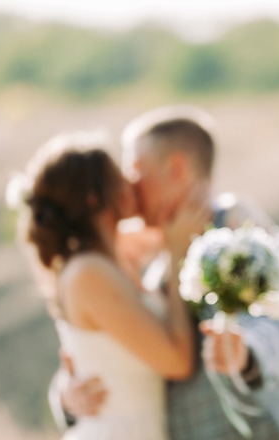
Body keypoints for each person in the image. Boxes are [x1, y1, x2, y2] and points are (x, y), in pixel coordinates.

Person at [53, 105, 279, 440]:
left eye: (135, 173)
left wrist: (243, 352)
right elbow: (112, 350)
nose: (126, 190)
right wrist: (66, 396)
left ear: (176, 169)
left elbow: (278, 329)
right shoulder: (151, 263)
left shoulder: (248, 235)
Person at [12, 132, 193, 440]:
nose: (131, 183)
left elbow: (172, 231)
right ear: (94, 198)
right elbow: (177, 361)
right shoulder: (89, 273)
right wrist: (176, 257)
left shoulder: (112, 253)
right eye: (119, 176)